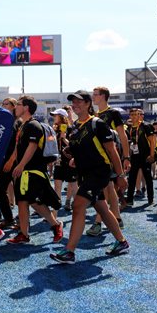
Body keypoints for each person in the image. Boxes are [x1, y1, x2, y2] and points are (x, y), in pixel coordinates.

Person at [50, 90, 129, 264]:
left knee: (78, 205)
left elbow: (111, 150)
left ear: (88, 104)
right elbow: (83, 149)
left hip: (99, 172)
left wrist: (121, 175)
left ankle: (69, 251)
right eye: (73, 102)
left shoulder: (97, 123)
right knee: (101, 207)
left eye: (79, 101)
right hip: (84, 174)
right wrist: (74, 159)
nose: (75, 105)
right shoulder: (76, 126)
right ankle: (122, 242)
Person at [6, 95, 63, 245]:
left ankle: (55, 225)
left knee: (34, 202)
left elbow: (32, 147)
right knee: (23, 202)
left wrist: (21, 165)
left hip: (32, 171)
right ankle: (24, 234)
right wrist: (14, 162)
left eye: (18, 104)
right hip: (24, 171)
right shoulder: (22, 125)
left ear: (26, 108)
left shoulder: (33, 125)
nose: (15, 107)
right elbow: (20, 148)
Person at [86, 86, 131, 236]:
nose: (93, 97)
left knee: (103, 189)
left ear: (104, 96)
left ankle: (98, 222)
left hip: (111, 156)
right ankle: (117, 218)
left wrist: (126, 157)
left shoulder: (113, 113)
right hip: (98, 157)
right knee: (109, 187)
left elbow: (122, 136)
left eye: (96, 94)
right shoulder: (95, 115)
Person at [0, 97, 21, 229]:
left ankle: (19, 219)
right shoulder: (4, 121)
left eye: (6, 104)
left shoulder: (17, 122)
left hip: (14, 161)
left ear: (14, 106)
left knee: (20, 192)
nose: (3, 105)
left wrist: (11, 160)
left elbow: (18, 144)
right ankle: (9, 218)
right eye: (2, 103)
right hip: (4, 161)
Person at [125, 108, 155, 206]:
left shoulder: (145, 126)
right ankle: (129, 199)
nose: (134, 116)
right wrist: (128, 157)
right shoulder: (128, 128)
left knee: (148, 178)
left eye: (136, 114)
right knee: (132, 178)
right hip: (134, 157)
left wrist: (152, 155)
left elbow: (152, 141)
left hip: (145, 157)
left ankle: (150, 199)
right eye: (132, 114)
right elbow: (128, 143)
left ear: (139, 115)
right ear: (129, 116)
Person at [50, 108, 77, 211]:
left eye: (55, 115)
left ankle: (79, 207)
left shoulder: (71, 129)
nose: (53, 117)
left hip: (69, 161)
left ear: (61, 117)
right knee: (57, 187)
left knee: (73, 185)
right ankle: (55, 211)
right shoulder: (54, 129)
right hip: (58, 161)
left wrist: (64, 138)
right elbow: (52, 143)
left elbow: (74, 146)